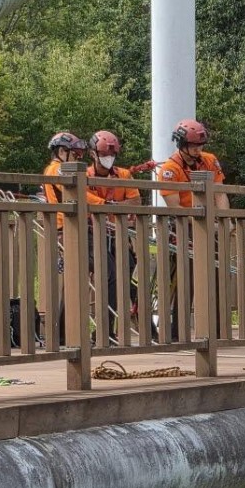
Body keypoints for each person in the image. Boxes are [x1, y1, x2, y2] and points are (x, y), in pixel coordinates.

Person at [157, 120, 230, 341]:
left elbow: (220, 192)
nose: (199, 150)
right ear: (181, 144)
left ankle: (216, 332)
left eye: (201, 145)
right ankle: (178, 332)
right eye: (194, 145)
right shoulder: (170, 169)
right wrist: (202, 220)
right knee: (185, 278)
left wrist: (223, 218)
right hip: (183, 226)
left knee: (216, 276)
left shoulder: (209, 160)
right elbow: (174, 205)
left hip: (209, 224)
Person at [86, 130, 142, 344]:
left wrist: (113, 207)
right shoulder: (86, 176)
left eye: (112, 155)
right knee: (109, 275)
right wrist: (110, 207)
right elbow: (85, 199)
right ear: (93, 154)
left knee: (131, 274)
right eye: (104, 155)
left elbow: (135, 202)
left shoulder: (124, 175)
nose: (109, 159)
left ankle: (145, 325)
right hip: (93, 233)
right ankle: (105, 329)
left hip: (117, 233)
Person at [42, 132, 87, 345]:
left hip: (65, 226)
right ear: (62, 152)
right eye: (74, 154)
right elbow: (78, 191)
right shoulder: (57, 169)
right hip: (64, 227)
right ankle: (64, 332)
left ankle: (65, 332)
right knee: (72, 279)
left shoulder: (53, 169)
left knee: (72, 279)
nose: (77, 159)